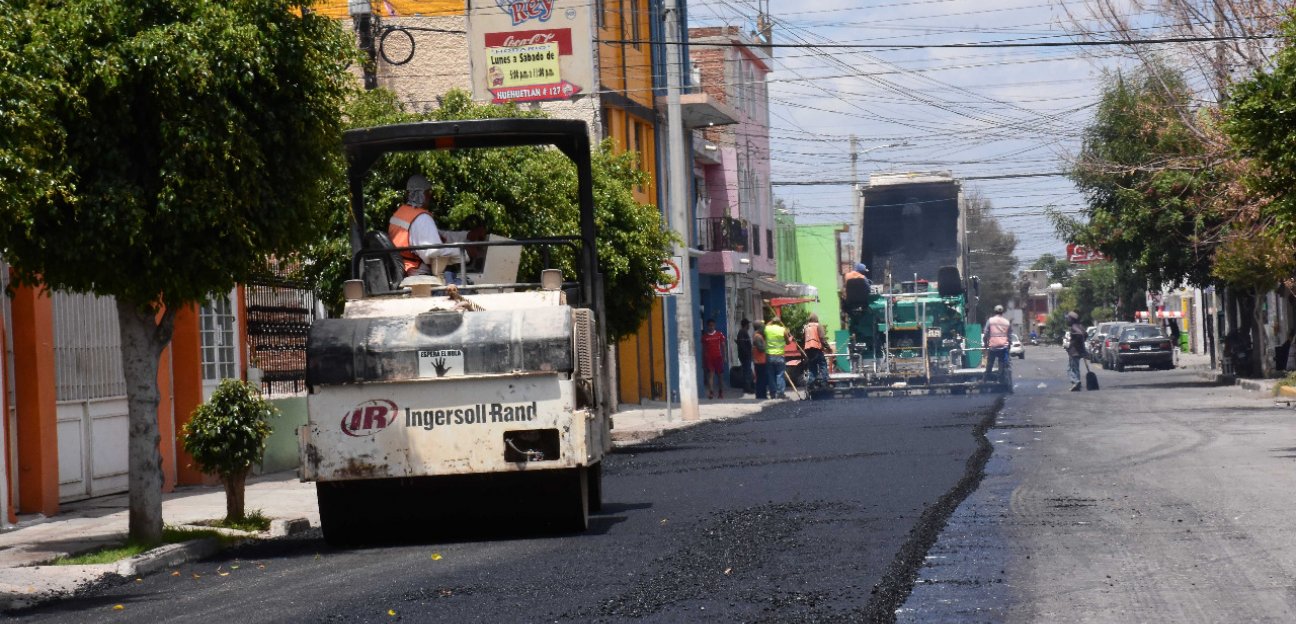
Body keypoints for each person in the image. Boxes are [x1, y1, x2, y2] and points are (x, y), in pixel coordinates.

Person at [388, 174, 463, 281]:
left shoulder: (399, 213)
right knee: (461, 284)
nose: (430, 196)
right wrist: (462, 252)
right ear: (422, 194)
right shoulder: (421, 218)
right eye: (428, 192)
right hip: (419, 274)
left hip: (404, 269)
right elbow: (433, 253)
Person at [982, 304, 1012, 382]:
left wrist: (985, 343)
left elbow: (986, 333)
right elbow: (1009, 335)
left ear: (994, 312)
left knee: (990, 362)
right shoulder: (1006, 322)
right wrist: (1009, 345)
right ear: (1002, 312)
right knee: (1002, 363)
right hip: (1003, 347)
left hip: (993, 346)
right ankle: (1001, 378)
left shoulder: (990, 320)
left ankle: (987, 377)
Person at [700, 319, 727, 399]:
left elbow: (723, 346)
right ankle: (711, 392)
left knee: (720, 376)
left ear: (714, 326)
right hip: (709, 359)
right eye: (710, 325)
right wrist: (703, 359)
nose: (711, 327)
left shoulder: (719, 334)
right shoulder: (704, 337)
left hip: (718, 357)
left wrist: (724, 357)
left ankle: (720, 392)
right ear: (707, 326)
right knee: (710, 375)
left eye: (713, 325)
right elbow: (703, 349)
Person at [765, 316, 789, 398]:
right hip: (780, 356)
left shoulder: (767, 329)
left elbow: (766, 325)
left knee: (771, 375)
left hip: (769, 355)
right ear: (779, 322)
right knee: (780, 375)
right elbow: (788, 342)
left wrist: (771, 320)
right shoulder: (783, 330)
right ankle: (780, 393)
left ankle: (772, 393)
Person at [802, 313, 828, 389]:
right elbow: (822, 338)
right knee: (823, 365)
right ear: (816, 319)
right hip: (816, 348)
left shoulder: (806, 327)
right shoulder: (818, 325)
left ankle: (811, 384)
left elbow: (803, 338)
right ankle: (824, 382)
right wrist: (828, 347)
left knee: (812, 367)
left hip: (808, 350)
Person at [1065, 311, 1087, 391]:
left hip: (1074, 351)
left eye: (1068, 318)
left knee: (1070, 368)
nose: (1067, 320)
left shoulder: (1074, 327)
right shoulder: (1080, 326)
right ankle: (1077, 383)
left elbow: (1080, 334)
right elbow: (1085, 334)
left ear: (1071, 319)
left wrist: (1075, 343)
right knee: (1075, 368)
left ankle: (1076, 381)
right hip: (1078, 351)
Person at [735, 318, 754, 395]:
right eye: (748, 324)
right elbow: (742, 345)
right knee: (747, 372)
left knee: (747, 371)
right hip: (745, 356)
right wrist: (747, 354)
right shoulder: (743, 332)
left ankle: (748, 387)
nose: (749, 325)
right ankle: (747, 388)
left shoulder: (742, 332)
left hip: (745, 355)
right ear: (746, 325)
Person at [753, 320, 769, 400]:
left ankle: (761, 395)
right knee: (761, 379)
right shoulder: (758, 337)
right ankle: (761, 395)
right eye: (762, 326)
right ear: (759, 327)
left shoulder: (758, 336)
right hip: (760, 361)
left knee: (761, 379)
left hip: (760, 360)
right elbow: (761, 349)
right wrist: (766, 345)